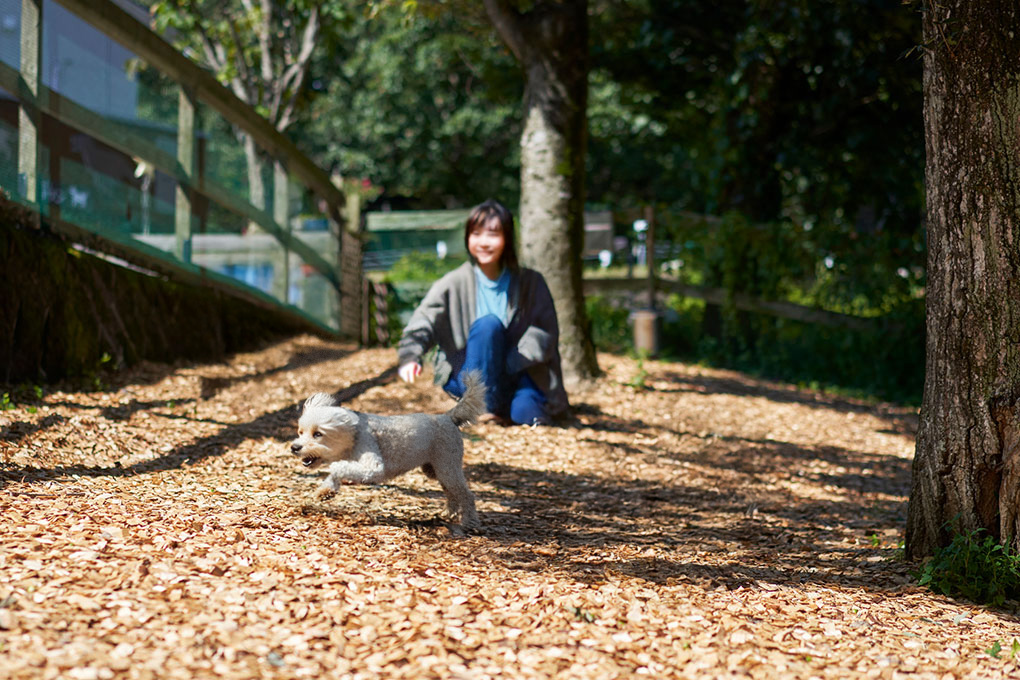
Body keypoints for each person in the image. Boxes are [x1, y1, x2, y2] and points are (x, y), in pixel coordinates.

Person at [396, 199, 569, 426]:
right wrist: (410, 356)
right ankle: (484, 406)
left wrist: (507, 362)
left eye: (493, 234)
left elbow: (544, 333)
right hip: (470, 374)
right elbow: (424, 320)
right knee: (488, 325)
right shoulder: (453, 282)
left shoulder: (531, 282)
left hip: (516, 373)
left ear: (507, 239)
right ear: (468, 237)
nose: (484, 243)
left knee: (529, 417)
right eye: (476, 234)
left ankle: (497, 407)